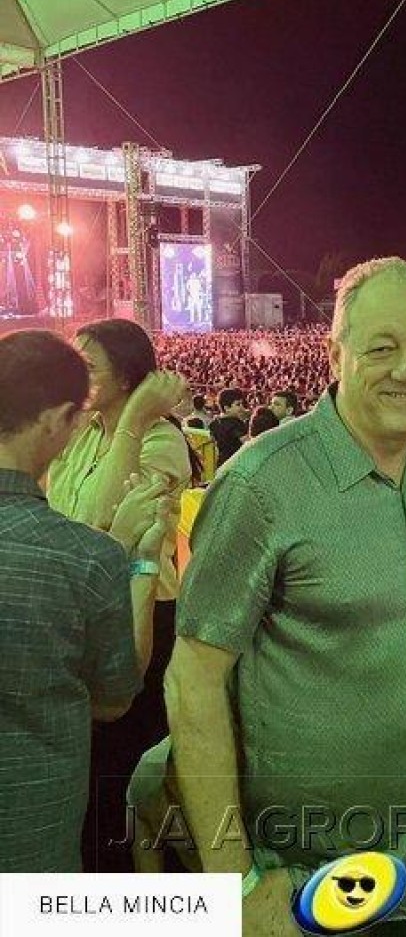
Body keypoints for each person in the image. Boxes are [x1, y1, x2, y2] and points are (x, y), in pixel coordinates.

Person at [145, 258, 406, 934]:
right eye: (382, 348)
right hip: (309, 872)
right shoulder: (260, 486)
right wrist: (236, 884)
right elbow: (193, 680)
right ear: (335, 356)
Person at [0, 330, 171, 871]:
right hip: (31, 837)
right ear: (57, 421)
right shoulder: (83, 558)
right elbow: (115, 695)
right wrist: (137, 560)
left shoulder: (159, 442)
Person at [46, 317, 190, 870]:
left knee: (121, 771)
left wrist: (132, 420)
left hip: (141, 609)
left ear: (128, 378)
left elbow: (102, 527)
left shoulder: (161, 440)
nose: (76, 376)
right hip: (77, 610)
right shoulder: (82, 434)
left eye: (90, 367)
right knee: (84, 768)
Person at [208, 387, 249, 465]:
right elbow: (247, 443)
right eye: (238, 404)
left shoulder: (214, 423)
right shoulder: (236, 423)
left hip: (221, 463)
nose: (242, 407)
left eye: (242, 404)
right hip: (236, 463)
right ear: (227, 408)